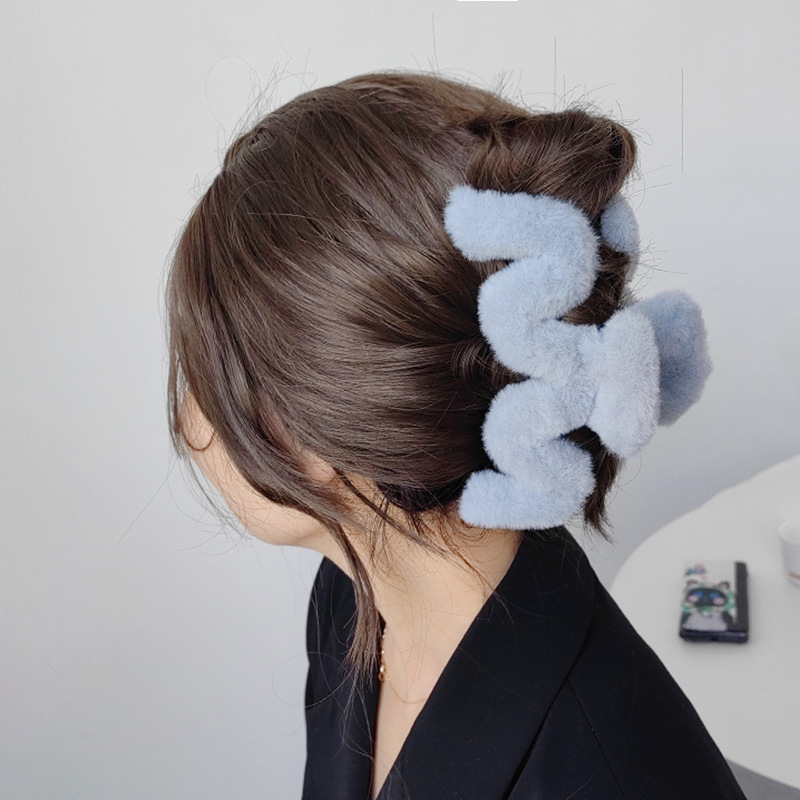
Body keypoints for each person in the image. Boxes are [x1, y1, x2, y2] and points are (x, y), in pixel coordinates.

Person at [167, 70, 746, 799]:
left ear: (302, 436)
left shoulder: (613, 773)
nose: (188, 419)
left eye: (203, 378)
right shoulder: (351, 597)